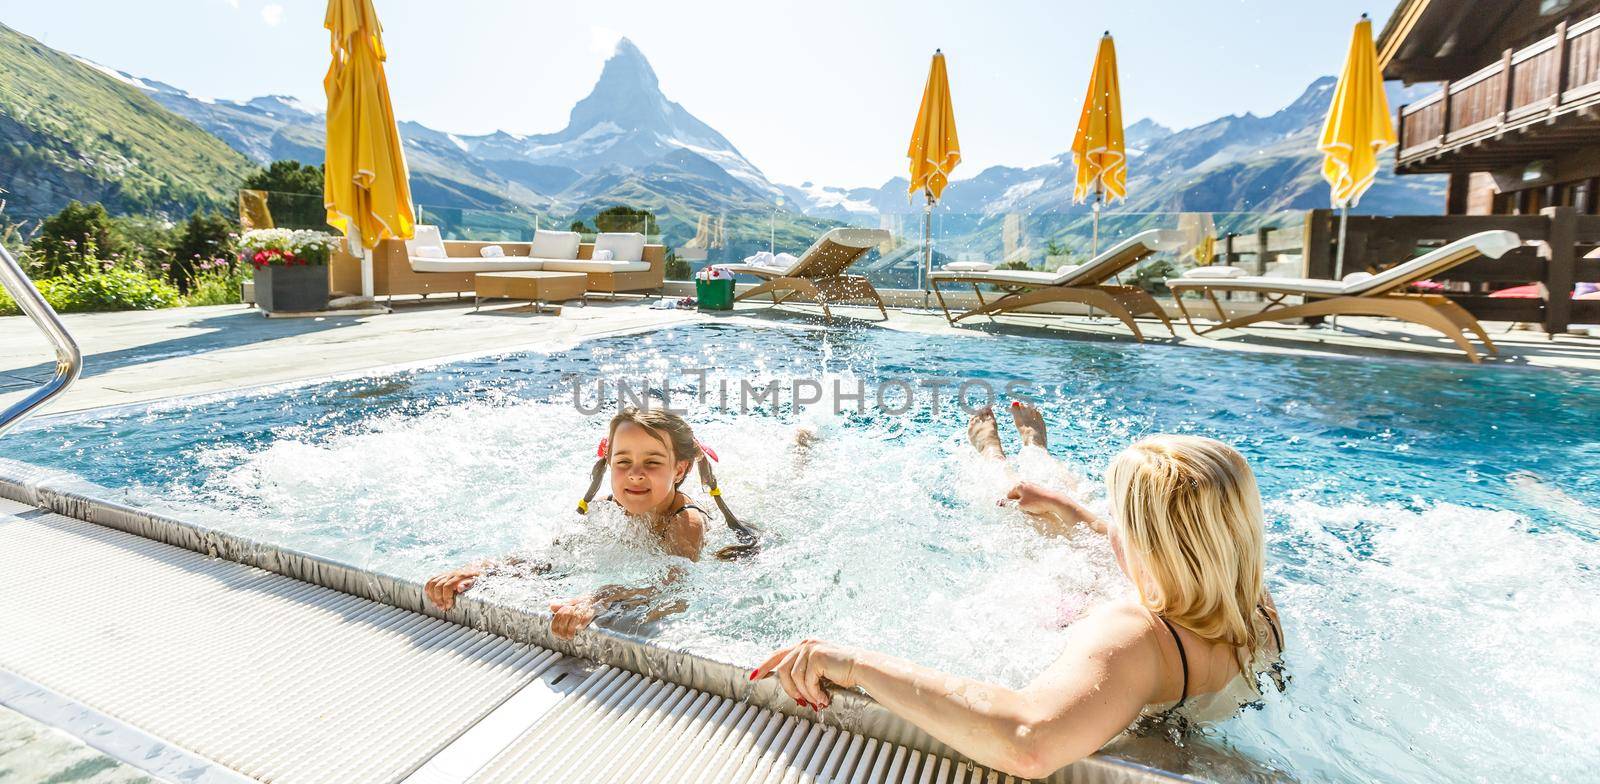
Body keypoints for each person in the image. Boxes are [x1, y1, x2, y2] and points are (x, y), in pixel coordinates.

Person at [754, 403, 1285, 780]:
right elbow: (1166, 543)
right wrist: (1080, 515)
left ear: (1149, 542)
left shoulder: (1132, 636)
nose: (1110, 526)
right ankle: (1031, 455)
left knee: (1015, 519)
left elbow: (1028, 744)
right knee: (1058, 516)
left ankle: (996, 460)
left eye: (1118, 516)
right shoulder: (1255, 600)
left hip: (1118, 619)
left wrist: (851, 663)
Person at [424, 407, 757, 640]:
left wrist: (605, 597)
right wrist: (480, 568)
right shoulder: (603, 510)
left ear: (680, 470)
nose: (635, 474)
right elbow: (547, 557)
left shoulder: (686, 522)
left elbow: (676, 591)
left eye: (652, 463)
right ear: (609, 464)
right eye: (623, 462)